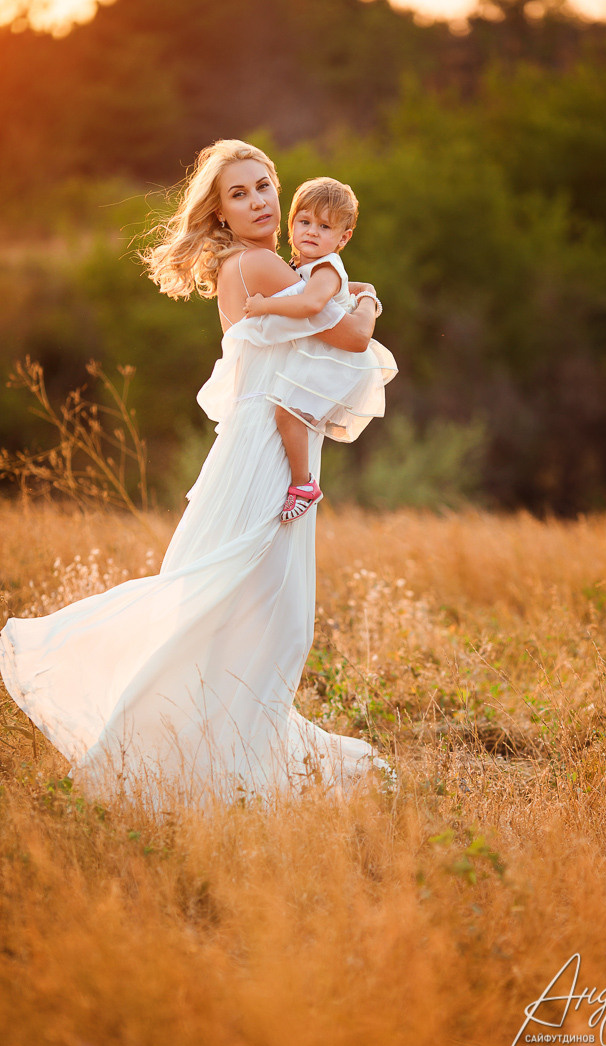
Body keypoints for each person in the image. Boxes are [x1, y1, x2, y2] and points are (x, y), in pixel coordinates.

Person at [0, 139, 395, 805]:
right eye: (238, 194)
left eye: (263, 186)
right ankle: (204, 767)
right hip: (263, 455)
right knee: (269, 615)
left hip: (253, 443)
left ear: (278, 188)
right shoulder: (263, 264)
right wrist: (370, 303)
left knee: (228, 606)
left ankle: (211, 761)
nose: (259, 202)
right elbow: (353, 340)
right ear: (220, 213)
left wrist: (337, 293)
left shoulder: (252, 266)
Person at [243, 176, 397, 523]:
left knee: (287, 414)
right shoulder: (304, 265)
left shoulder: (325, 268)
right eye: (304, 221)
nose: (312, 231)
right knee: (289, 414)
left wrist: (265, 306)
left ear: (343, 238)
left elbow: (312, 304)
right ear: (291, 223)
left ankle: (303, 485)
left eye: (324, 226)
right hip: (322, 357)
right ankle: (300, 481)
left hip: (336, 362)